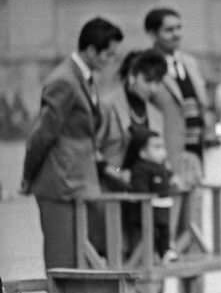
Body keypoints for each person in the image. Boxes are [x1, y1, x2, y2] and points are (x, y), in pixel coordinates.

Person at [144, 7, 221, 293]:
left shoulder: (190, 64)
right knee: (162, 243)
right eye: (168, 30)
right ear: (153, 34)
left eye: (178, 28)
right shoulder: (146, 67)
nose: (176, 35)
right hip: (165, 169)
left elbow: (201, 110)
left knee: (193, 239)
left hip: (193, 166)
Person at [20, 17, 123, 268]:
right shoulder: (64, 80)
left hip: (78, 181)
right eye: (108, 54)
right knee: (63, 263)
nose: (111, 60)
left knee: (82, 262)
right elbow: (42, 134)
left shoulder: (84, 78)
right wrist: (28, 176)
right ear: (90, 50)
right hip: (60, 184)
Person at [96, 49, 168, 192]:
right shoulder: (106, 105)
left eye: (158, 82)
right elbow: (90, 148)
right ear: (132, 76)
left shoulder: (156, 114)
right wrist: (115, 172)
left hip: (145, 195)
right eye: (148, 81)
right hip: (109, 193)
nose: (153, 88)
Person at [123, 127, 178, 261]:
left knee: (164, 231)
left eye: (162, 147)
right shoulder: (140, 169)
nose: (162, 151)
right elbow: (139, 188)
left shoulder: (162, 167)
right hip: (145, 210)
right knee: (149, 233)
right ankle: (146, 256)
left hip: (162, 209)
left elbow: (170, 176)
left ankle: (165, 252)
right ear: (142, 152)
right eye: (156, 147)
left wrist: (174, 180)